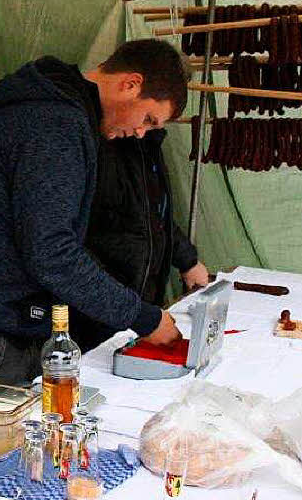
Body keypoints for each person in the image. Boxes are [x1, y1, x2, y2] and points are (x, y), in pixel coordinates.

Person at [0, 41, 190, 385]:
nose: (140, 132)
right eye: (147, 118)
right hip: (0, 336)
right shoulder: (56, 125)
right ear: (130, 84)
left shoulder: (57, 112)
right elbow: (52, 252)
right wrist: (141, 317)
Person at [80, 125, 210, 348]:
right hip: (102, 304)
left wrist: (187, 260)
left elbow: (156, 216)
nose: (142, 129)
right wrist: (136, 314)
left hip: (140, 302)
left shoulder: (148, 143)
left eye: (158, 121)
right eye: (150, 117)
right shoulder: (103, 147)